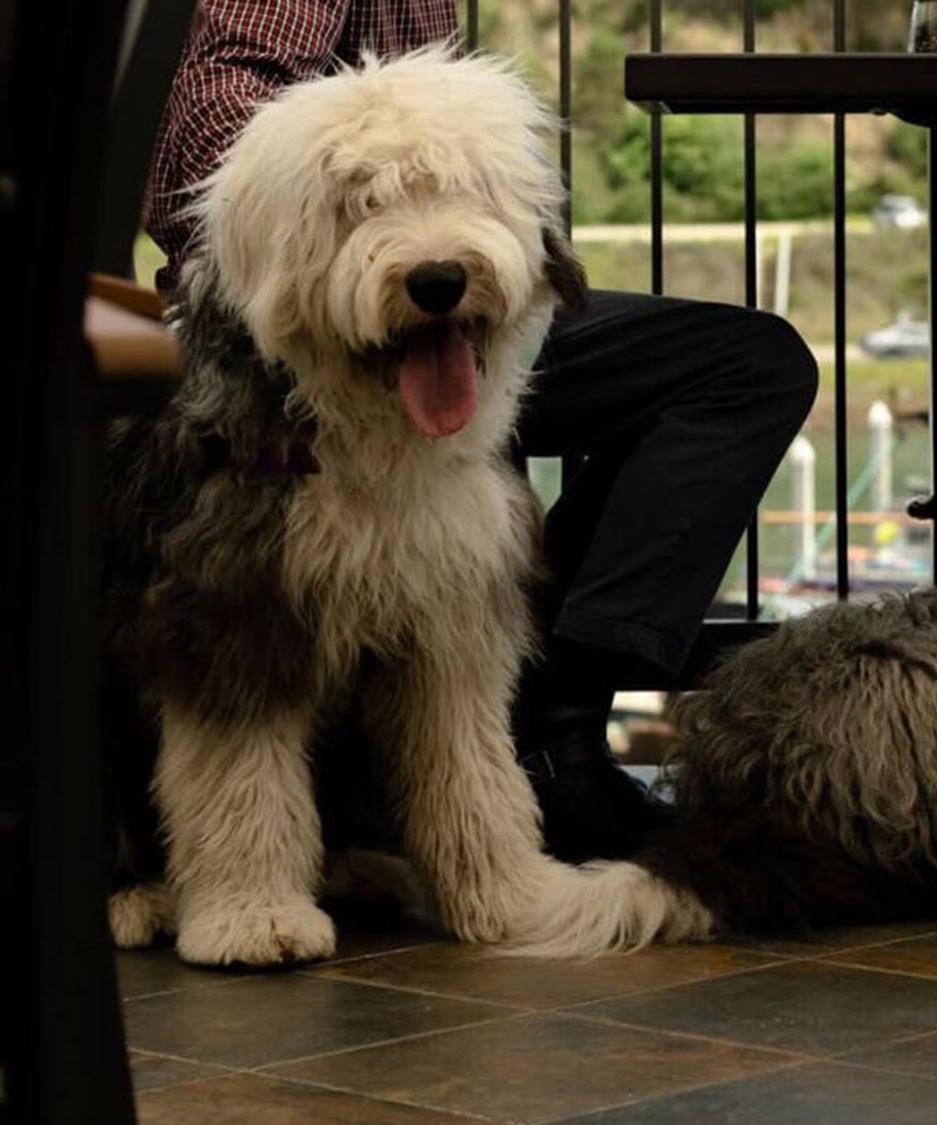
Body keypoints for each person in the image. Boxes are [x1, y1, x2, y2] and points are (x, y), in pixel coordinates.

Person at [144, 1, 818, 861]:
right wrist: (332, 184)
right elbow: (207, 111)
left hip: (457, 314)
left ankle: (554, 720)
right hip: (291, 335)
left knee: (747, 364)